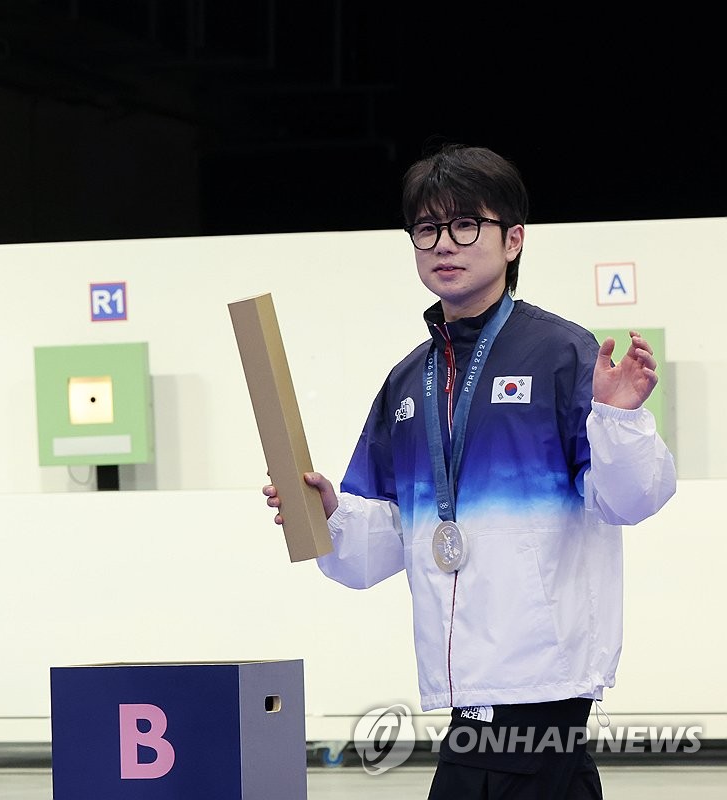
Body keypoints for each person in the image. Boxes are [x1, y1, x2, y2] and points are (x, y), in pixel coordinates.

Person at [262, 143, 675, 798]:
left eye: (464, 225)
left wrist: (619, 418)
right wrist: (329, 513)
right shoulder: (409, 380)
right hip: (464, 697)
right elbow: (378, 550)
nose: (443, 244)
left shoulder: (563, 351)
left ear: (512, 240)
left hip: (546, 686)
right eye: (427, 229)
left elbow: (632, 499)